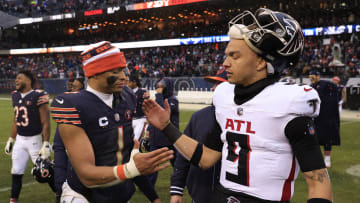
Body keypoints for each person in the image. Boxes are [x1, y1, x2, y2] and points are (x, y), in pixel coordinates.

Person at [143, 8, 332, 203]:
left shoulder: (288, 104)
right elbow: (206, 158)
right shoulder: (225, 98)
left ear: (261, 62)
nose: (225, 63)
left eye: (235, 56)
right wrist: (167, 127)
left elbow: (318, 182)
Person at [50, 41, 173, 203]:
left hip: (119, 193)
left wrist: (153, 197)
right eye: (115, 71)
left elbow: (128, 155)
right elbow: (86, 175)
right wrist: (131, 170)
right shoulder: (71, 104)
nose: (123, 76)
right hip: (84, 196)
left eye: (123, 69)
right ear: (94, 73)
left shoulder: (127, 96)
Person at [170, 68, 227, 203]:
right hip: (200, 195)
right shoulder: (199, 116)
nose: (213, 89)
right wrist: (177, 188)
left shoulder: (246, 118)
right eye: (214, 84)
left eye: (218, 84)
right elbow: (184, 153)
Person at [5, 70, 51, 203]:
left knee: (46, 172)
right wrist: (11, 139)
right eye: (16, 78)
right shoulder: (15, 95)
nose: (16, 80)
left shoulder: (38, 95)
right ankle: (13, 200)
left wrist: (46, 142)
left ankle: (60, 194)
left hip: (35, 140)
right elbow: (15, 120)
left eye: (19, 78)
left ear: (28, 81)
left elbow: (45, 122)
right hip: (20, 140)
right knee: (16, 172)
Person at [147, 77, 179, 187]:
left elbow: (162, 113)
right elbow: (153, 116)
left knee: (177, 164)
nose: (160, 88)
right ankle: (149, 185)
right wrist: (148, 131)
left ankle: (182, 182)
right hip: (157, 138)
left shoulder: (173, 100)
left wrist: (159, 95)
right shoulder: (159, 98)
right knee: (153, 163)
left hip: (170, 138)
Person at [309, 71, 340, 168]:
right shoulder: (311, 86)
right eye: (310, 77)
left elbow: (333, 96)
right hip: (314, 116)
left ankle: (327, 159)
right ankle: (316, 159)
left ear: (318, 76)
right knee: (313, 139)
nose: (311, 79)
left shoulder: (325, 84)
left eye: (313, 77)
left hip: (326, 116)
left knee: (327, 138)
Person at [128, 74, 150, 140]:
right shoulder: (126, 92)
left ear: (134, 82)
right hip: (130, 120)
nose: (128, 84)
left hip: (140, 119)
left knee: (136, 140)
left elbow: (147, 106)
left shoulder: (142, 92)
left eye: (129, 82)